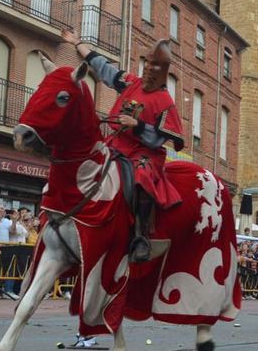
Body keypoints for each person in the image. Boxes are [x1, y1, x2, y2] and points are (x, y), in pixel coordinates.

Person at [62, 29, 184, 262]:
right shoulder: (131, 83)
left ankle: (140, 236)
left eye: (155, 66)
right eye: (148, 63)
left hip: (144, 152)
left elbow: (159, 139)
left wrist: (137, 125)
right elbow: (104, 68)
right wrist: (78, 43)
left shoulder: (165, 102)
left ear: (164, 71)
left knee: (142, 177)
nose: (149, 69)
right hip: (115, 143)